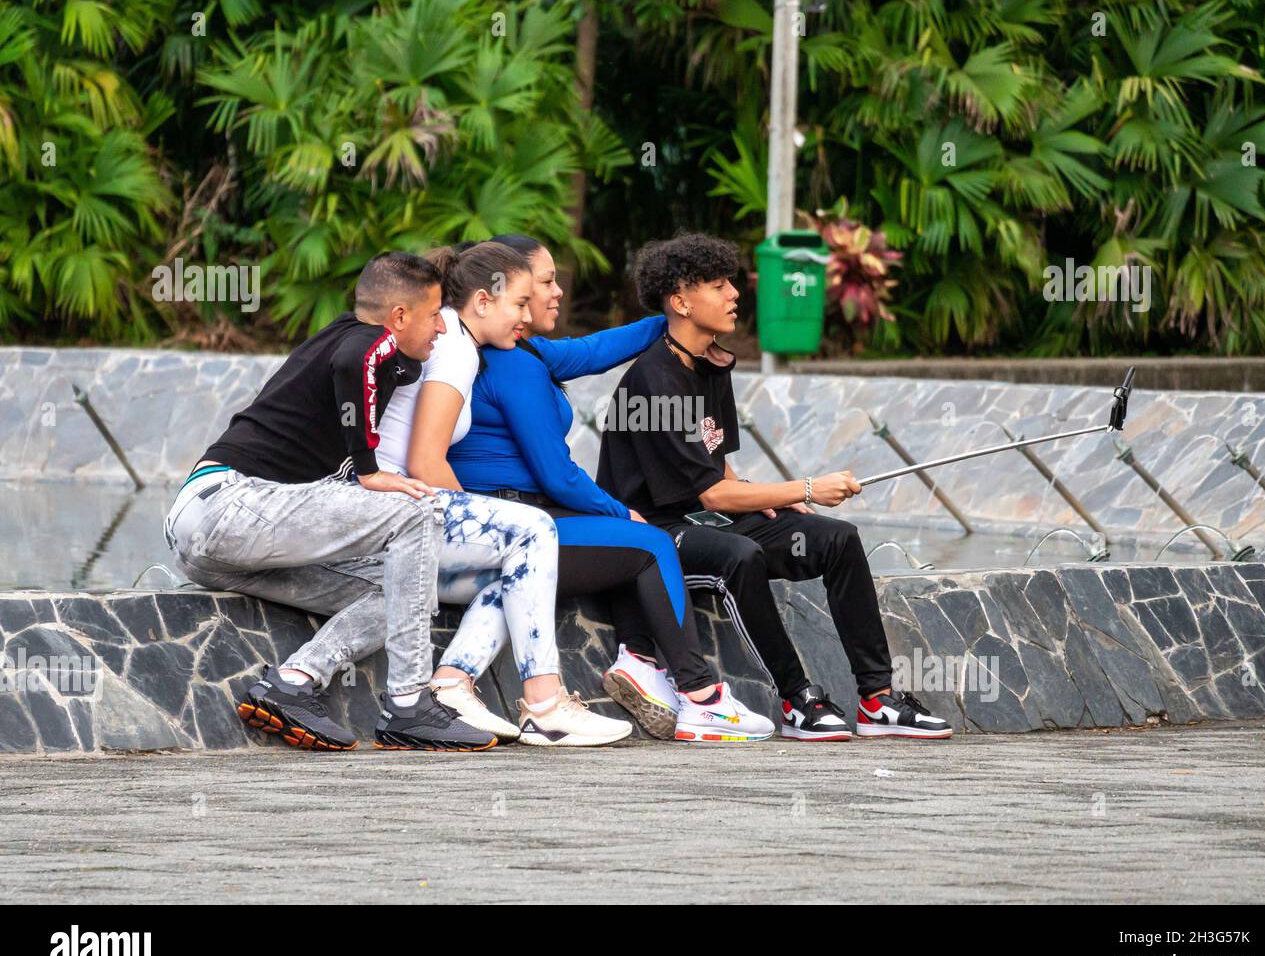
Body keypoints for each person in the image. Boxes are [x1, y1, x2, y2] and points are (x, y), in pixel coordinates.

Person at [595, 233, 953, 741]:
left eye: (731, 283)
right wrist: (802, 488)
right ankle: (797, 699)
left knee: (837, 539)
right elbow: (712, 497)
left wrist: (773, 502)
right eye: (718, 286)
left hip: (705, 513)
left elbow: (721, 473)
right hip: (655, 533)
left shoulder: (711, 363)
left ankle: (876, 700)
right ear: (680, 301)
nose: (734, 295)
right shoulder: (653, 381)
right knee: (741, 555)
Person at [275, 242, 633, 747]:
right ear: (483, 303)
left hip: (385, 511)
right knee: (531, 530)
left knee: (508, 564)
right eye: (520, 304)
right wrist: (487, 519)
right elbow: (425, 462)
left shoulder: (452, 337)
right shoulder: (456, 346)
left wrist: (660, 328)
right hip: (386, 513)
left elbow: (586, 353)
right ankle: (546, 704)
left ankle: (451, 684)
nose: (528, 317)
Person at [165, 251, 498, 752]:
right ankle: (409, 704)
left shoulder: (359, 338)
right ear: (400, 317)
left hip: (216, 541)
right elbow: (355, 360)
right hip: (230, 503)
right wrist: (369, 471)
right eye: (434, 316)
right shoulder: (365, 342)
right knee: (418, 512)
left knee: (402, 589)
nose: (442, 330)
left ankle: (293, 683)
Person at [447, 234, 774, 743]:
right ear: (507, 289)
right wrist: (620, 511)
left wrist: (682, 321)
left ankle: (636, 664)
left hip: (522, 518)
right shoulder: (513, 365)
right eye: (546, 281)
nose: (558, 291)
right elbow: (557, 475)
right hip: (510, 522)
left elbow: (594, 349)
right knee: (649, 544)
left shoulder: (528, 352)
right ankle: (700, 695)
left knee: (628, 540)